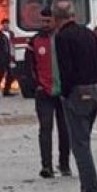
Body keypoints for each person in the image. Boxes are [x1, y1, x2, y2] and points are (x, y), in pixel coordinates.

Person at [52, 0, 97, 192]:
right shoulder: (87, 33)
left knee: (80, 145)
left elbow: (65, 69)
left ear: (56, 18)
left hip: (77, 93)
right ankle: (89, 191)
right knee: (83, 141)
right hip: (95, 92)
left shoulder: (62, 37)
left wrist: (65, 93)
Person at [29, 9, 71, 179]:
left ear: (55, 21)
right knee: (45, 129)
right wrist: (37, 86)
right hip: (44, 92)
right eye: (43, 21)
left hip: (63, 92)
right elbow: (29, 67)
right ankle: (46, 166)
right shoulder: (35, 41)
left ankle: (64, 164)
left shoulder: (64, 38)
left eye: (48, 21)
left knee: (65, 129)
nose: (45, 25)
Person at [0, 19, 15, 97]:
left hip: (9, 57)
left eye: (7, 24)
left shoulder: (11, 34)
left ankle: (6, 91)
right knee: (1, 74)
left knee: (11, 74)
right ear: (2, 25)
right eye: (4, 24)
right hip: (2, 58)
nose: (6, 25)